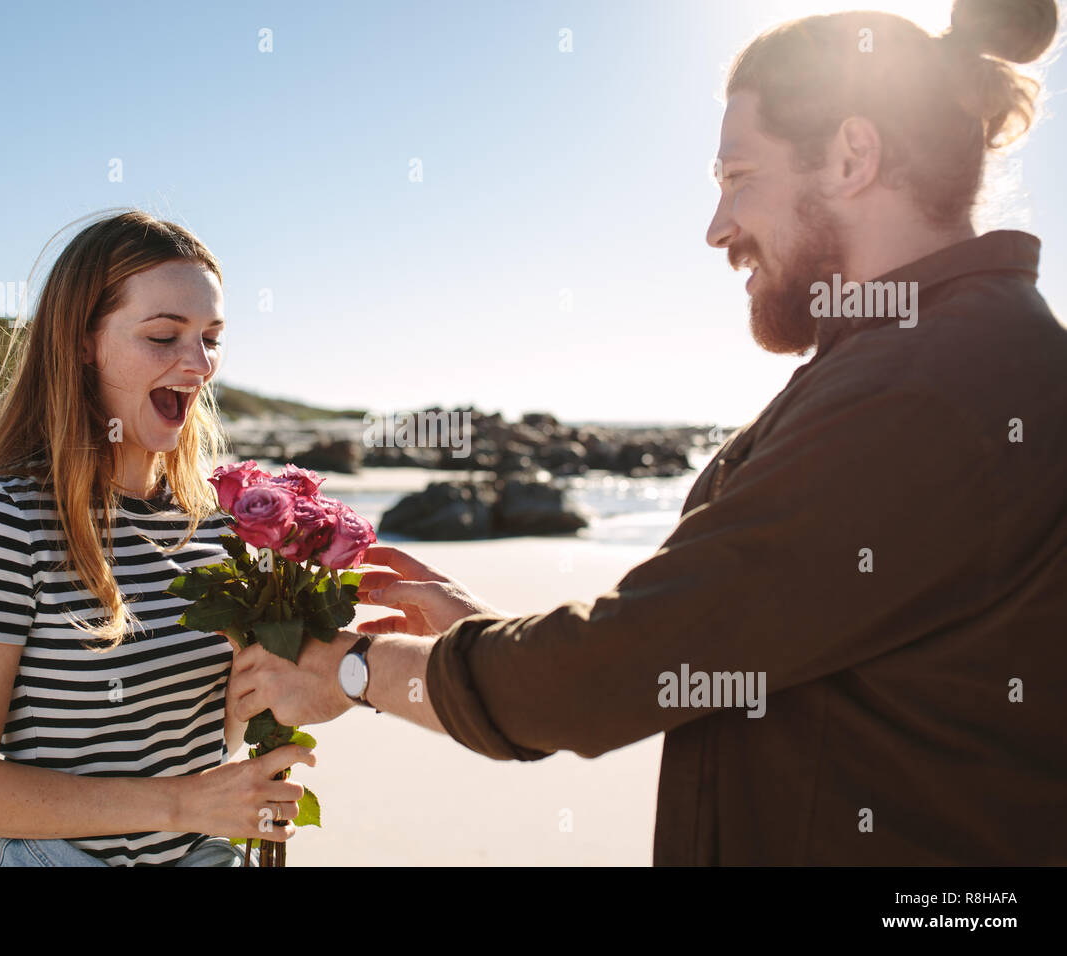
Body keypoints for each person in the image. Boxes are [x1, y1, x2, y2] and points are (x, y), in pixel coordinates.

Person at [224, 0, 1067, 864]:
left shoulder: (922, 390)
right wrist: (472, 631)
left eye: (738, 176)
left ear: (854, 156)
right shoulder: (941, 354)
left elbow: (602, 679)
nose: (717, 228)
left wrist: (353, 670)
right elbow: (706, 639)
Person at [0, 210, 312, 866]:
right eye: (165, 335)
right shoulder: (4, 525)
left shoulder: (220, 523)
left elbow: (206, 750)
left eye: (211, 337)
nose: (198, 365)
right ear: (82, 342)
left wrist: (250, 704)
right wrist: (180, 802)